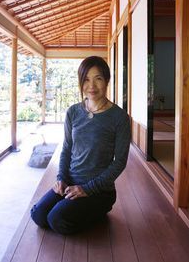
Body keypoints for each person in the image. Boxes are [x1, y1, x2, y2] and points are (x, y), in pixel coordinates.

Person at [31, 56, 131, 235]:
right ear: (80, 82)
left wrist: (87, 189)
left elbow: (120, 162)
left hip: (99, 190)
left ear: (107, 80)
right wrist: (61, 178)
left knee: (56, 219)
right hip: (70, 182)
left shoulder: (119, 117)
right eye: (86, 79)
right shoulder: (73, 112)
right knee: (39, 215)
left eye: (98, 78)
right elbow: (67, 148)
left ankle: (99, 208)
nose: (91, 86)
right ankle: (74, 208)